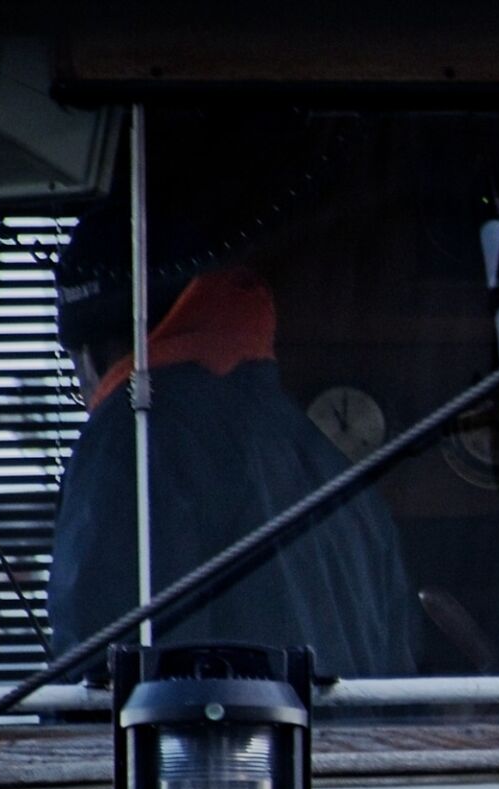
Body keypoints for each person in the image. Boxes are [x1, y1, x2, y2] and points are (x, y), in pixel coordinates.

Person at [49, 201, 419, 677]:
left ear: (93, 349)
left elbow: (101, 676)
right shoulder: (330, 465)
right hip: (350, 753)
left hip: (227, 754)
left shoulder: (133, 437)